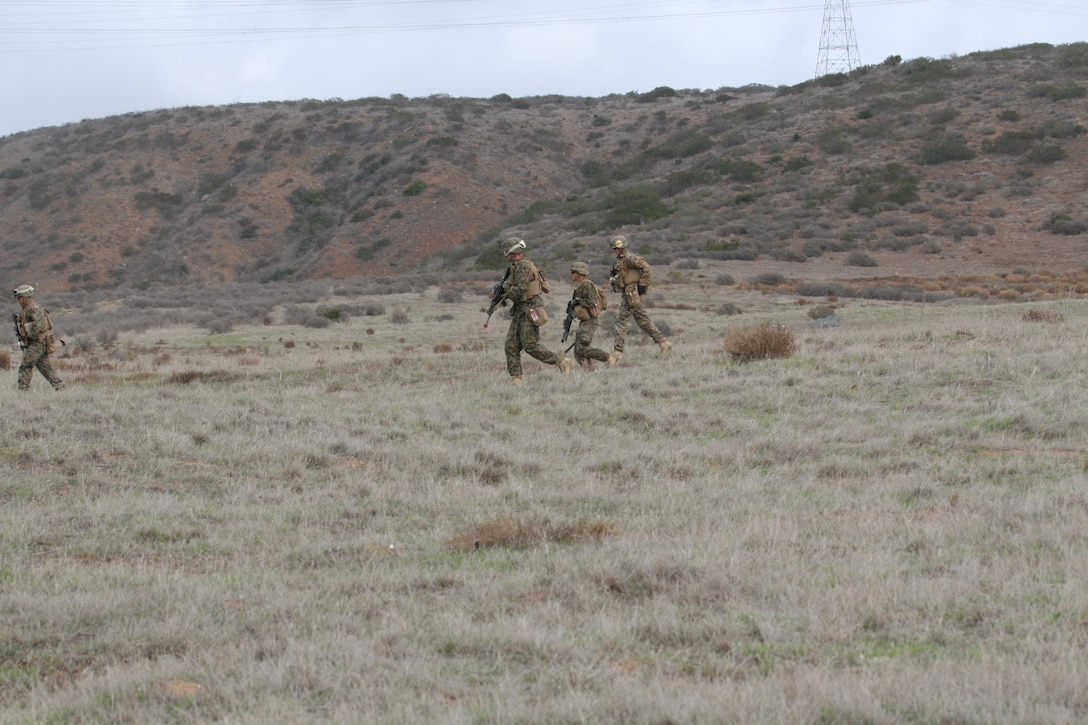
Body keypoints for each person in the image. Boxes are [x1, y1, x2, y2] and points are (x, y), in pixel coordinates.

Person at [498, 238, 574, 384]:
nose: (505, 254)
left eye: (506, 251)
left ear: (512, 252)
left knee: (530, 345)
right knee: (511, 345)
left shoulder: (522, 266)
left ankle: (562, 362)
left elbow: (519, 290)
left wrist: (506, 291)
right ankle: (517, 378)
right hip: (521, 309)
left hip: (529, 308)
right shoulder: (516, 266)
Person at [608, 234, 671, 361]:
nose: (615, 250)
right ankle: (663, 343)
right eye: (614, 248)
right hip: (628, 292)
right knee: (643, 321)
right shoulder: (619, 261)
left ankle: (617, 352)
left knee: (621, 322)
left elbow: (646, 267)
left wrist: (642, 285)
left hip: (631, 294)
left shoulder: (631, 259)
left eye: (616, 248)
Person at [12, 284, 64, 392]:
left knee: (25, 366)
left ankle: (22, 391)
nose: (19, 300)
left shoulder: (35, 309)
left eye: (20, 298)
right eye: (18, 298)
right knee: (45, 368)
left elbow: (38, 327)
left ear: (27, 297)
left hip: (36, 343)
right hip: (36, 343)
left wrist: (28, 337)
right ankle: (60, 387)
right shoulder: (27, 309)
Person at [567, 261, 615, 371]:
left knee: (582, 349)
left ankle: (608, 357)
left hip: (590, 321)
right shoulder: (581, 285)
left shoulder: (587, 284)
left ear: (579, 273)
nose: (571, 274)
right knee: (578, 353)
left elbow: (592, 302)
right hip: (585, 321)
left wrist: (577, 302)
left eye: (573, 272)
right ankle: (590, 371)